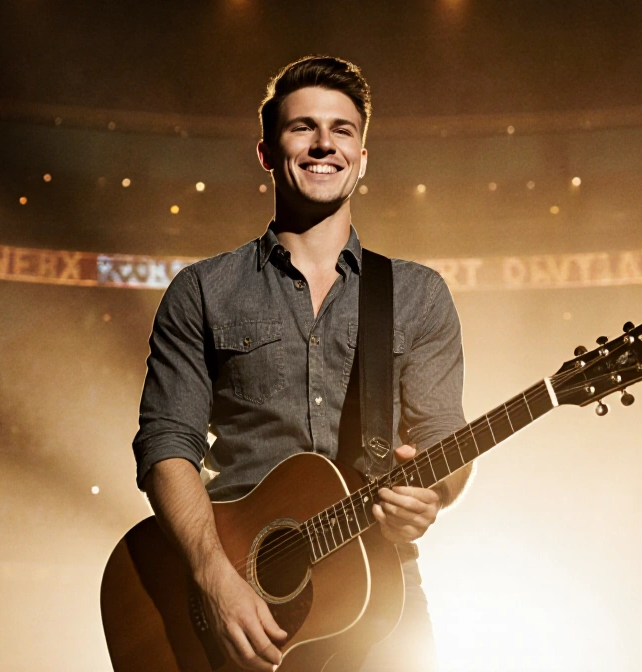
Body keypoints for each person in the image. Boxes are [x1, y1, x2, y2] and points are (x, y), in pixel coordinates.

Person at [132, 55, 471, 672]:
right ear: (266, 151)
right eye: (302, 128)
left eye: (343, 130)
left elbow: (445, 437)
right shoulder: (202, 290)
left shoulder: (417, 294)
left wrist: (435, 494)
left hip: (379, 599)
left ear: (363, 156)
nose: (324, 144)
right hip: (234, 598)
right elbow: (165, 444)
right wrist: (214, 577)